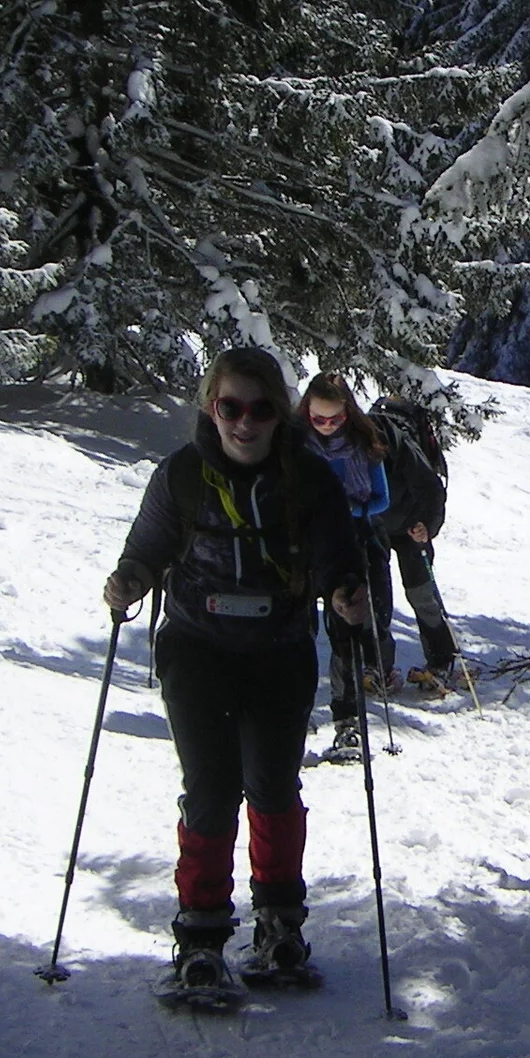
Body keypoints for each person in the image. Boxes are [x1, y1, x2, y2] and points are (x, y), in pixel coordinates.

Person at [103, 347, 368, 989]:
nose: (244, 423)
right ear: (211, 409)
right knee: (211, 791)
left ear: (278, 413)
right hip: (197, 650)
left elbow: (338, 555)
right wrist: (129, 580)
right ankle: (200, 937)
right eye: (230, 408)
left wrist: (344, 593)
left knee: (274, 788)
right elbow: (147, 549)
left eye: (258, 410)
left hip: (280, 651)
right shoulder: (182, 475)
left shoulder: (309, 478)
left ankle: (280, 927)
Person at [297, 372, 396, 763]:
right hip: (302, 545)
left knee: (345, 635)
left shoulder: (364, 445)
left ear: (347, 413)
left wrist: (346, 509)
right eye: (318, 418)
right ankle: (295, 713)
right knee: (298, 631)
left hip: (351, 543)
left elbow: (382, 499)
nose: (326, 425)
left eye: (334, 418)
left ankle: (347, 720)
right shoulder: (294, 444)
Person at [367, 396, 461, 695]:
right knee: (378, 596)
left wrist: (427, 527)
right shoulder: (349, 442)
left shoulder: (395, 440)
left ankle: (440, 661)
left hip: (411, 526)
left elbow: (430, 486)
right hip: (378, 525)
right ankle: (381, 666)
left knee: (418, 594)